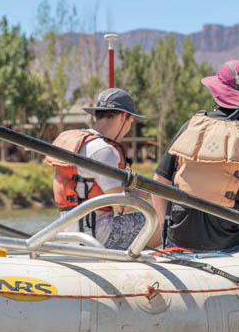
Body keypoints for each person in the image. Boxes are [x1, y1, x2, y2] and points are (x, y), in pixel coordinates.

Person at [153, 61, 239, 252]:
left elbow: (160, 180)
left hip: (178, 237)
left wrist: (165, 230)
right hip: (230, 241)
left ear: (217, 91)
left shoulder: (190, 125)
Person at [45, 88, 156, 249]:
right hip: (97, 236)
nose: (128, 128)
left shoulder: (79, 143)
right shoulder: (103, 150)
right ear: (124, 117)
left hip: (67, 234)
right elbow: (122, 206)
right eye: (131, 122)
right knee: (157, 220)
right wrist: (142, 193)